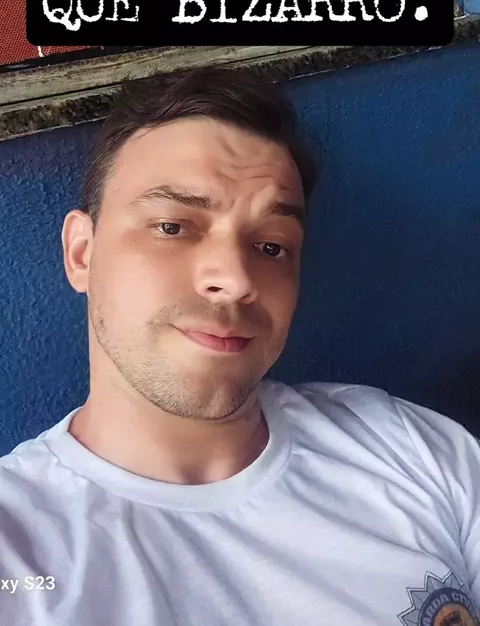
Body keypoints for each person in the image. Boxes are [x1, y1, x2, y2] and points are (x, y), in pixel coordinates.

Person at [0, 65, 479, 626]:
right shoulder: (19, 549)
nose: (235, 279)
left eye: (272, 246)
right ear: (82, 253)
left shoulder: (406, 449)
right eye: (173, 226)